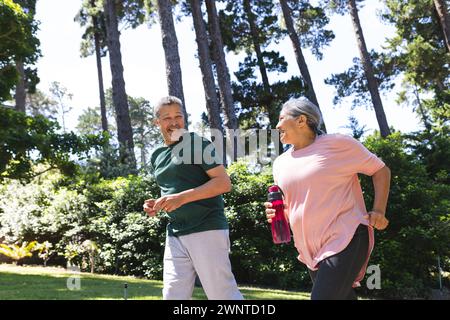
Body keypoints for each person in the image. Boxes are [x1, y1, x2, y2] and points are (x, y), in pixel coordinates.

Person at [264, 97, 391, 300]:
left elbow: (380, 170)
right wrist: (277, 213)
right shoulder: (280, 163)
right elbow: (294, 205)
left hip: (346, 235)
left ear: (301, 120)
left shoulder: (337, 144)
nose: (277, 125)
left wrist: (379, 210)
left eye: (281, 118)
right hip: (309, 247)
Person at [143, 96, 243, 300]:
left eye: (178, 116)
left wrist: (182, 198)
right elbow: (172, 189)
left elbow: (223, 183)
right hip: (175, 232)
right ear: (157, 123)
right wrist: (156, 204)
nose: (174, 122)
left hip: (207, 227)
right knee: (172, 295)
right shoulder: (157, 156)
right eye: (167, 118)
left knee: (222, 295)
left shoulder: (197, 144)